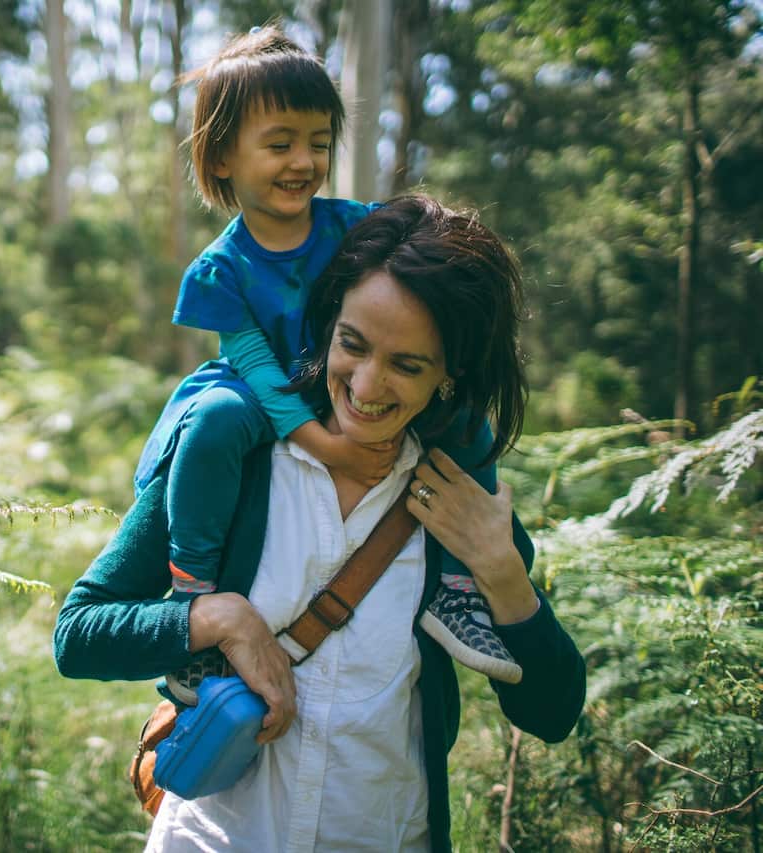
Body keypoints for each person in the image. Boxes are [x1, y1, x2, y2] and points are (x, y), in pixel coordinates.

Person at [54, 195, 587, 851]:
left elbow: (552, 713)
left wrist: (503, 574)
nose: (366, 384)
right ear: (328, 321)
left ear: (451, 374)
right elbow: (78, 635)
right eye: (352, 345)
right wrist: (215, 617)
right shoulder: (232, 461)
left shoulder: (456, 499)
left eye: (407, 364)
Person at [136, 25, 521, 699]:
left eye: (318, 142)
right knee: (218, 420)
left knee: (463, 412)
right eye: (279, 143)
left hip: (343, 380)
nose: (303, 161)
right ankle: (191, 596)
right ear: (222, 156)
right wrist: (327, 447)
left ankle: (460, 592)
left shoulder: (356, 225)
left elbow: (429, 251)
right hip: (266, 394)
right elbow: (257, 368)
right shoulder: (218, 273)